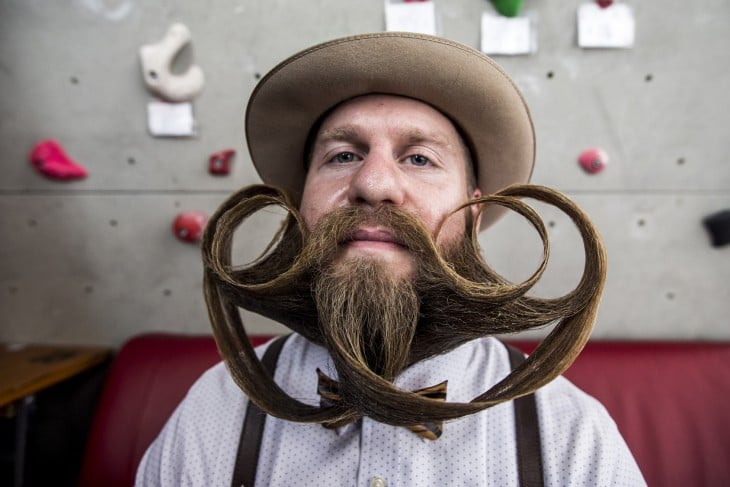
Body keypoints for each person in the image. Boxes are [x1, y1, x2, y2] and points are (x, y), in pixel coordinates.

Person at [136, 33, 646, 486]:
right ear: (299, 205)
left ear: (474, 209)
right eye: (343, 156)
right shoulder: (215, 410)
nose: (373, 184)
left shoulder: (570, 436)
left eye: (420, 158)